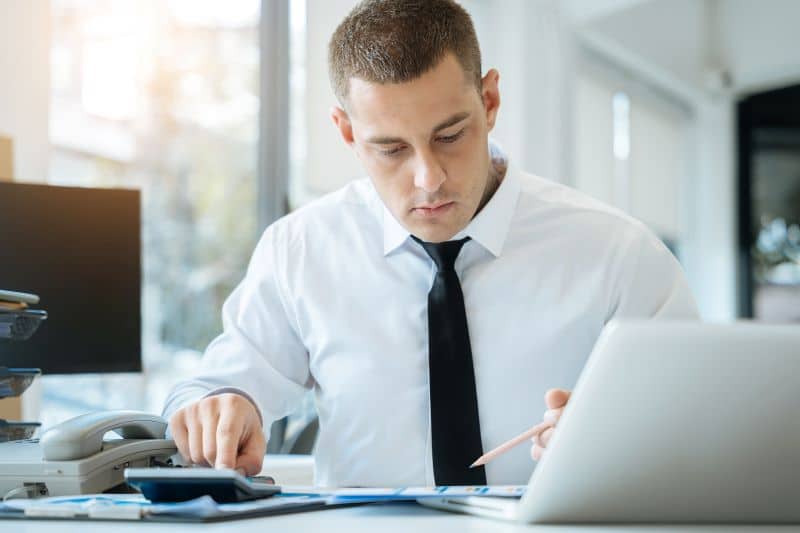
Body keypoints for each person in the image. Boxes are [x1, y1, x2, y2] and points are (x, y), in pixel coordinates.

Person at [163, 0, 698, 487]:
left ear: (489, 100)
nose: (428, 179)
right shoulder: (300, 251)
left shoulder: (619, 256)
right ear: (347, 132)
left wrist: (626, 440)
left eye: (449, 136)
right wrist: (221, 410)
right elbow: (207, 393)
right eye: (391, 148)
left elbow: (704, 429)